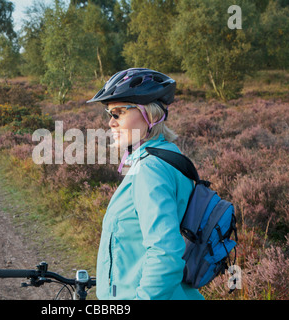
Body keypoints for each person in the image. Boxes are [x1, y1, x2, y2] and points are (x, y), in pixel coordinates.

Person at [87, 68, 204, 300]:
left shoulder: (150, 169)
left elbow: (166, 253)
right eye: (109, 113)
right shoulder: (165, 155)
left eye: (118, 112)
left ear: (149, 115)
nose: (111, 122)